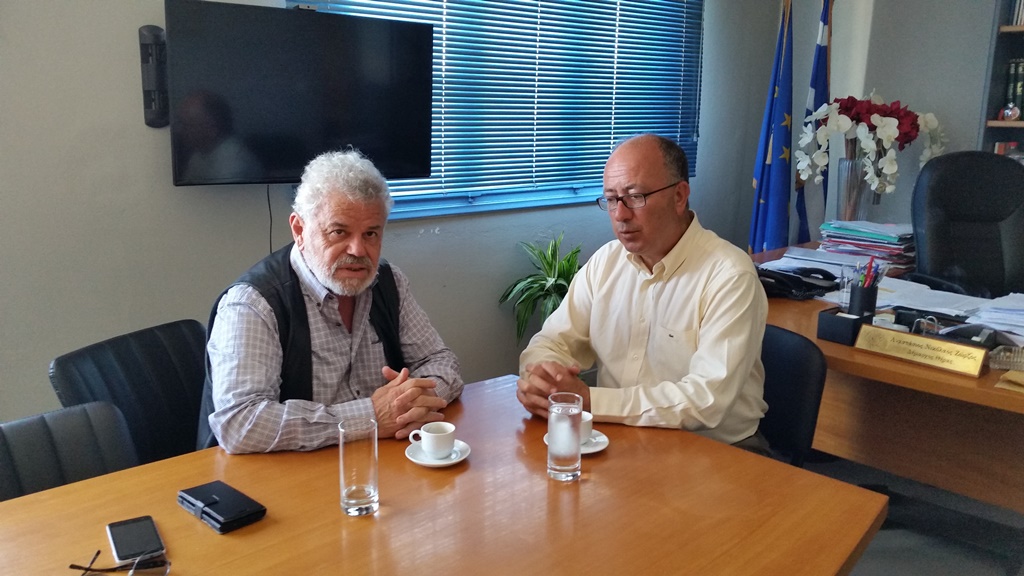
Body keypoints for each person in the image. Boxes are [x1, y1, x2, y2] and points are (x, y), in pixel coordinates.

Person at [515, 133, 770, 452]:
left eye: (635, 196)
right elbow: (552, 341)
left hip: (717, 450)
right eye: (611, 199)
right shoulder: (606, 262)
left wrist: (591, 400)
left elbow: (706, 401)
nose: (620, 214)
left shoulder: (729, 275)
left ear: (679, 196)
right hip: (622, 438)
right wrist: (544, 380)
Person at [198, 149, 463, 453]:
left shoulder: (390, 284)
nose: (358, 250)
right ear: (299, 230)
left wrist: (411, 403)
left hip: (378, 459)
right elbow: (240, 422)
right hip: (285, 471)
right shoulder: (253, 304)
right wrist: (371, 416)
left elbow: (442, 362)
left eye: (371, 234)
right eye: (339, 232)